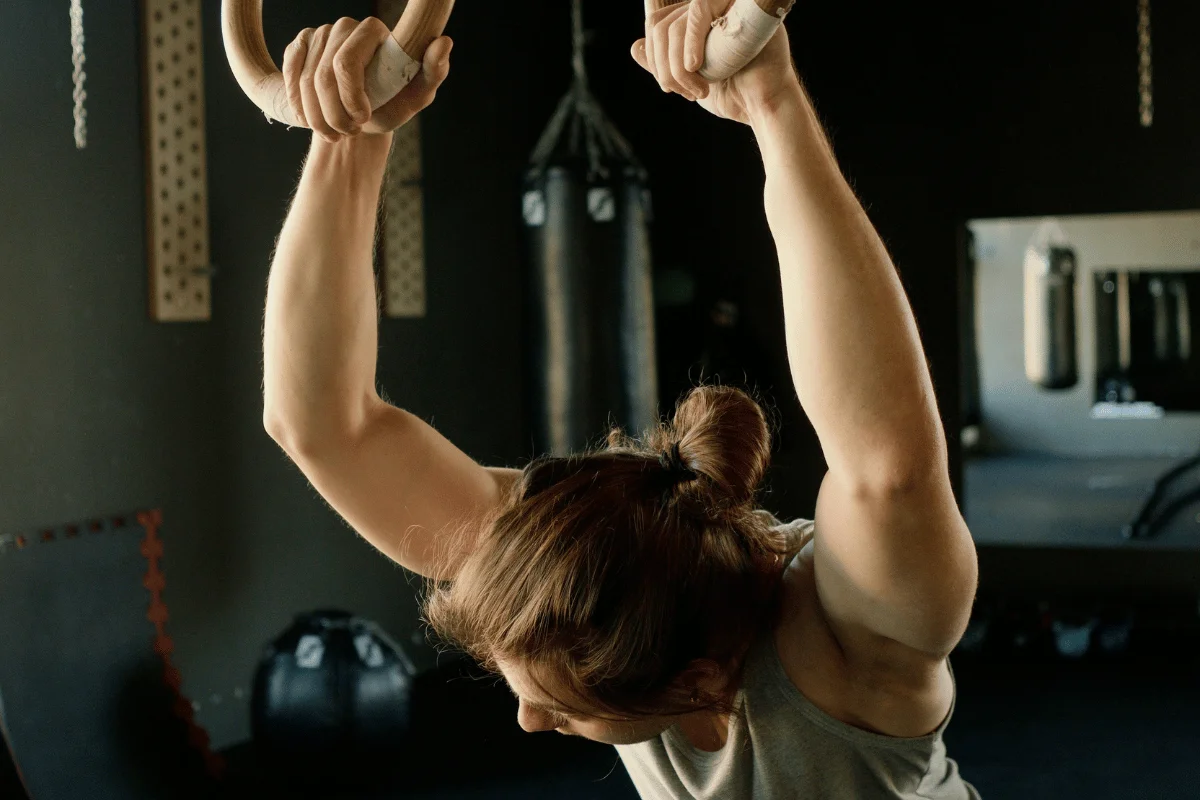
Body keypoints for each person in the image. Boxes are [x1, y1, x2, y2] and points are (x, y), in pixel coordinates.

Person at [261, 2, 981, 798]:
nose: (530, 721)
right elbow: (325, 425)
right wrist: (351, 138)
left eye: (563, 709)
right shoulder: (566, 579)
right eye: (554, 708)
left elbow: (889, 468)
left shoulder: (857, 654)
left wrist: (777, 110)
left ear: (701, 682)